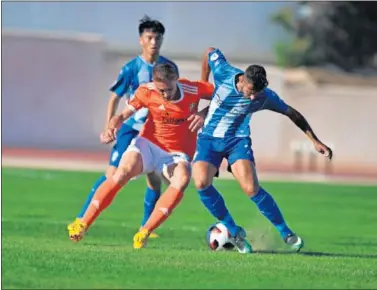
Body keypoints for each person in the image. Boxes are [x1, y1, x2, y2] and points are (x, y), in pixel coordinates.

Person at [193, 47, 333, 254]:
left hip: (236, 141)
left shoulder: (265, 96)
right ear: (242, 81)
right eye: (250, 92)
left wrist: (314, 140)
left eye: (256, 94)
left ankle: (286, 232)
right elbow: (209, 52)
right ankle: (234, 230)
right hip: (208, 140)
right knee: (201, 183)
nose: (252, 98)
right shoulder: (224, 72)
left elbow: (292, 113)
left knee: (251, 188)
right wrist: (205, 86)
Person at [68, 63, 214, 249]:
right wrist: (112, 127)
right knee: (121, 172)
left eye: (169, 89)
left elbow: (225, 97)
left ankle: (144, 232)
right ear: (154, 82)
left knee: (182, 179)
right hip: (148, 144)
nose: (165, 95)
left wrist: (203, 113)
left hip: (175, 154)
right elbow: (122, 116)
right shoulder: (146, 91)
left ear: (176, 79)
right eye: (161, 90)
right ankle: (83, 224)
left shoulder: (192, 89)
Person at [67, 16, 179, 238]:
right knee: (113, 174)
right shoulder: (131, 68)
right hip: (131, 127)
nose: (154, 42)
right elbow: (114, 98)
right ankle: (81, 219)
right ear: (141, 40)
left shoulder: (169, 68)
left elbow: (175, 99)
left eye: (158, 38)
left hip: (156, 130)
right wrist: (110, 126)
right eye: (149, 37)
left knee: (154, 179)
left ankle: (146, 227)